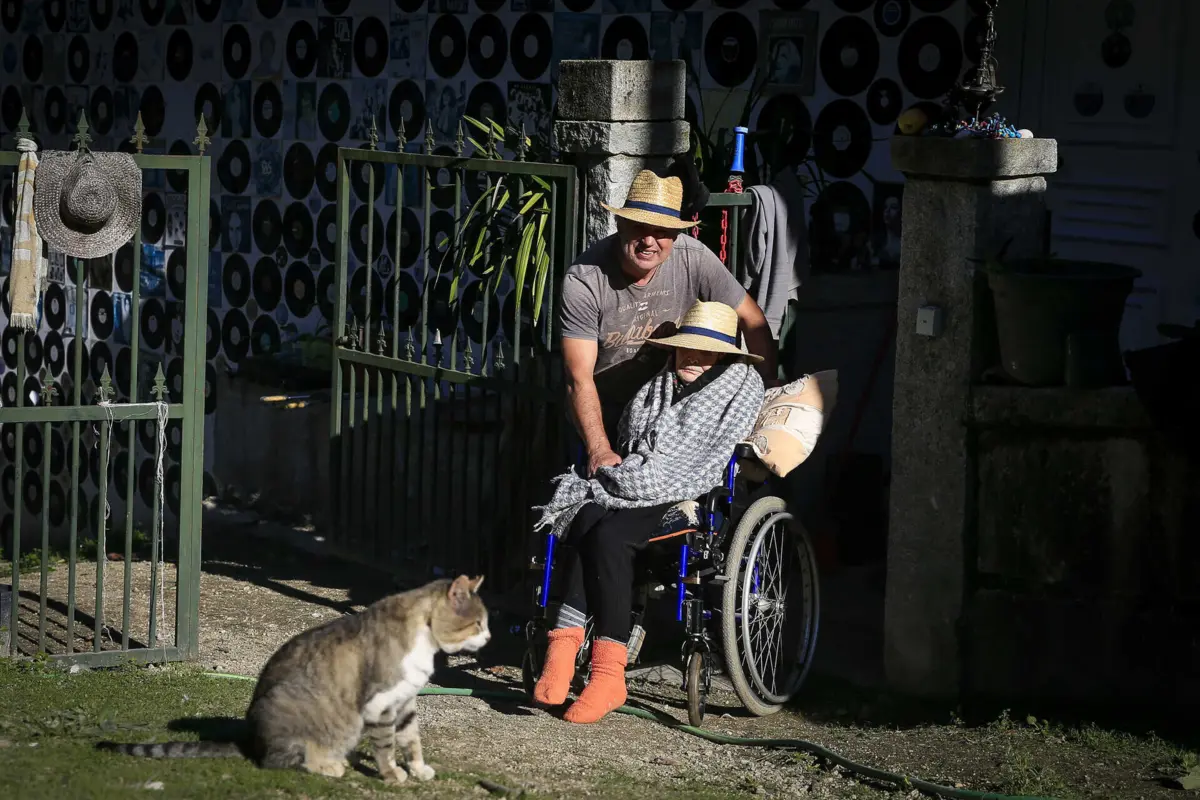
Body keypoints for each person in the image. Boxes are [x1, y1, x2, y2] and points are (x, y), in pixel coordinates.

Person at [532, 300, 765, 724]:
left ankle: (608, 674)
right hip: (639, 477)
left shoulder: (741, 384)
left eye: (705, 350)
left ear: (724, 356)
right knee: (584, 516)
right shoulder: (661, 383)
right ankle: (563, 646)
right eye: (686, 348)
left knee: (609, 535)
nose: (692, 357)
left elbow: (708, 453)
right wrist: (637, 470)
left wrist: (652, 473)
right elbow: (632, 437)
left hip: (689, 487)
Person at [559, 166, 776, 479]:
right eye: (639, 226)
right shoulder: (585, 281)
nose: (649, 240)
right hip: (605, 411)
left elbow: (752, 319)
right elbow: (578, 379)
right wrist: (599, 449)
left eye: (661, 231)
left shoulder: (694, 258)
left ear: (675, 234)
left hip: (674, 412)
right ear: (620, 223)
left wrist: (765, 391)